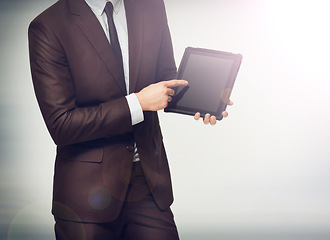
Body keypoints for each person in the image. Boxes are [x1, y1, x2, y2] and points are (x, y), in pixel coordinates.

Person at [28, 0, 231, 239]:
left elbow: (165, 75)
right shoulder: (48, 26)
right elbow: (61, 124)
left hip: (147, 180)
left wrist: (203, 96)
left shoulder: (151, 5)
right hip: (86, 197)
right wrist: (137, 103)